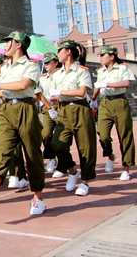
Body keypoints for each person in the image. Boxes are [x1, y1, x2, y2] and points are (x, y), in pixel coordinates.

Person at [0, 31, 46, 215]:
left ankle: (38, 197)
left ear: (19, 44)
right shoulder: (4, 68)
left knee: (32, 153)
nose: (5, 46)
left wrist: (1, 86)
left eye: (8, 43)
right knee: (2, 150)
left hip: (25, 109)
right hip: (6, 110)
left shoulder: (31, 65)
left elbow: (23, 85)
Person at [49, 39, 96, 196]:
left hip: (81, 109)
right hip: (64, 112)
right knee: (57, 144)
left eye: (59, 50)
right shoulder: (57, 74)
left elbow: (81, 91)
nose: (57, 54)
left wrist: (60, 93)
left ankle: (86, 181)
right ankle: (72, 171)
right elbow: (55, 95)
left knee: (86, 147)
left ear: (68, 51)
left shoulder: (82, 71)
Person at [92, 45, 135, 181]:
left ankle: (126, 168)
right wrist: (93, 100)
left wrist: (108, 84)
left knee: (125, 135)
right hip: (105, 103)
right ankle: (110, 156)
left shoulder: (123, 68)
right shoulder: (100, 71)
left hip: (119, 102)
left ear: (112, 56)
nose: (100, 57)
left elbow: (127, 83)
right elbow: (98, 86)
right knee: (102, 133)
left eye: (102, 55)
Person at [35, 52, 62, 176]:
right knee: (46, 134)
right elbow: (38, 93)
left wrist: (54, 98)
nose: (46, 65)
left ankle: (63, 162)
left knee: (61, 137)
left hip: (61, 108)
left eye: (48, 62)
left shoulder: (62, 75)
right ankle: (52, 158)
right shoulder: (42, 78)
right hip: (47, 108)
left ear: (56, 63)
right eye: (44, 62)